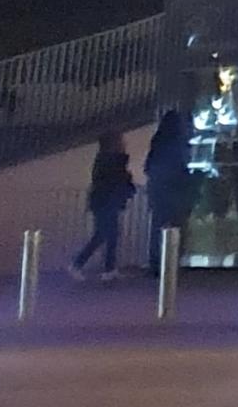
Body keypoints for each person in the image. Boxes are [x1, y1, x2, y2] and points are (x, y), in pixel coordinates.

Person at [71, 129, 136, 279]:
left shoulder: (103, 159)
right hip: (106, 202)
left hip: (102, 201)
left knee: (107, 234)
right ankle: (80, 264)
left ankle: (107, 268)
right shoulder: (113, 160)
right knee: (104, 234)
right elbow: (117, 179)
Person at [142, 107, 196, 258]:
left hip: (158, 191)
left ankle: (156, 261)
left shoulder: (158, 142)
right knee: (176, 226)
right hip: (174, 191)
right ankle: (172, 261)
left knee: (157, 226)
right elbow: (181, 167)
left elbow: (149, 167)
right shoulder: (179, 144)